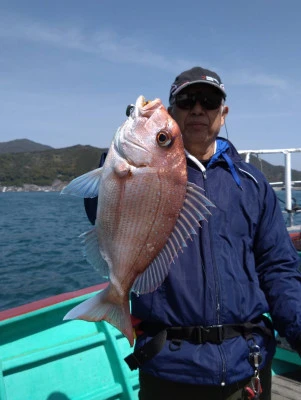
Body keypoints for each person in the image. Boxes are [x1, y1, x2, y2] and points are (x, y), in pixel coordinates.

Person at [84, 66, 301, 400]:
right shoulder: (142, 172)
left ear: (223, 112)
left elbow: (278, 267)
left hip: (248, 365)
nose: (198, 108)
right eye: (186, 101)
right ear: (172, 113)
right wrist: (119, 159)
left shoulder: (254, 184)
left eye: (210, 100)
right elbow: (97, 207)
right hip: (169, 368)